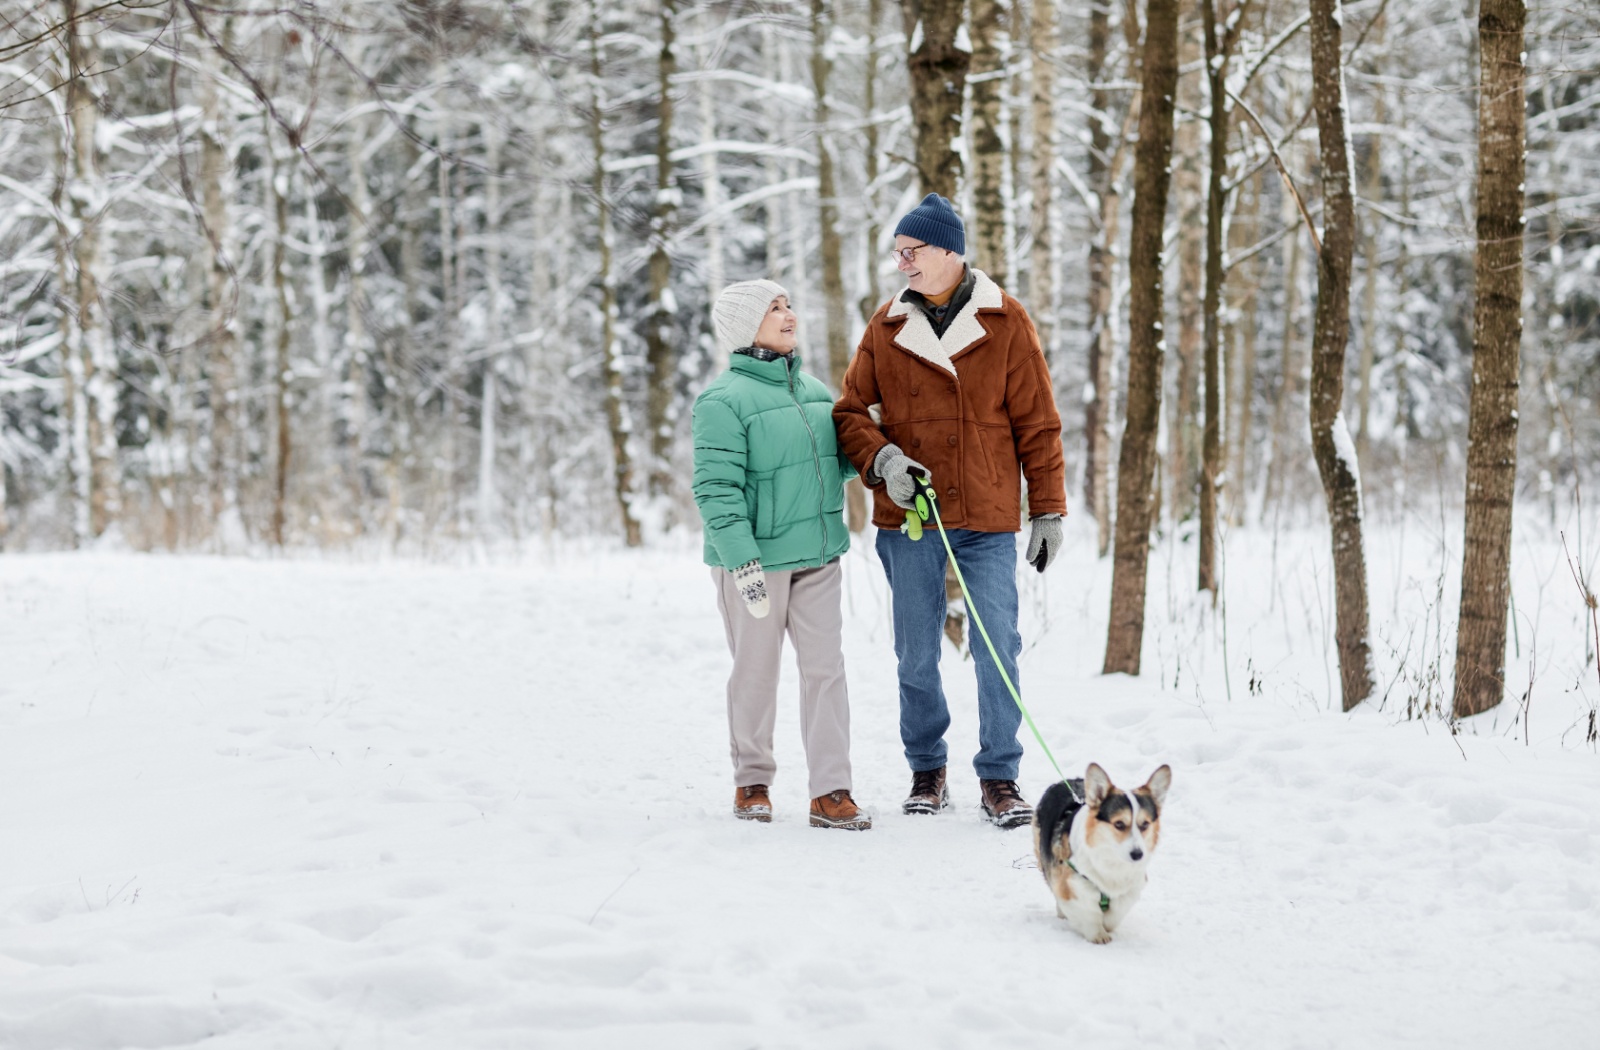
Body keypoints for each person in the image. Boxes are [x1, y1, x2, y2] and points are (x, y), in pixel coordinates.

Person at [833, 193, 1067, 829]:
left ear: (949, 252)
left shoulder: (1006, 320)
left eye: (912, 251)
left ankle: (1000, 776)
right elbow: (850, 414)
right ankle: (926, 768)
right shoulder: (885, 326)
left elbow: (1039, 424)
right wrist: (884, 465)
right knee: (915, 652)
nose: (901, 263)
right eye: (898, 253)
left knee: (998, 645)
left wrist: (1047, 509)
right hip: (911, 518)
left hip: (987, 517)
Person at [692, 279, 869, 830]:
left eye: (789, 304)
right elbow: (715, 491)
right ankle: (752, 780)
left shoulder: (816, 392)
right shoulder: (722, 402)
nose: (789, 314)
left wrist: (876, 450)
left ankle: (831, 791)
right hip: (755, 565)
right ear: (747, 326)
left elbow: (831, 466)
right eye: (774, 308)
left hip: (817, 554)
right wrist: (740, 561)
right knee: (756, 671)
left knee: (826, 671)